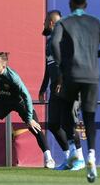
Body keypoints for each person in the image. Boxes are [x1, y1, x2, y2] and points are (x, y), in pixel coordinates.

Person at [51, 0, 100, 182]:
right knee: (89, 117)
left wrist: (62, 65)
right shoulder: (96, 22)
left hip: (72, 73)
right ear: (86, 4)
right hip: (92, 76)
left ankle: (74, 151)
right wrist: (92, 56)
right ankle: (91, 155)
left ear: (70, 3)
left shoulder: (64, 22)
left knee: (64, 109)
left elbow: (54, 44)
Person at [38, 10, 85, 171]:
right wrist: (43, 87)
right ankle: (69, 158)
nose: (43, 24)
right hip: (55, 88)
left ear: (51, 23)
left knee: (68, 123)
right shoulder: (49, 42)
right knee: (53, 124)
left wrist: (61, 80)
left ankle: (80, 160)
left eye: (45, 21)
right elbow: (49, 66)